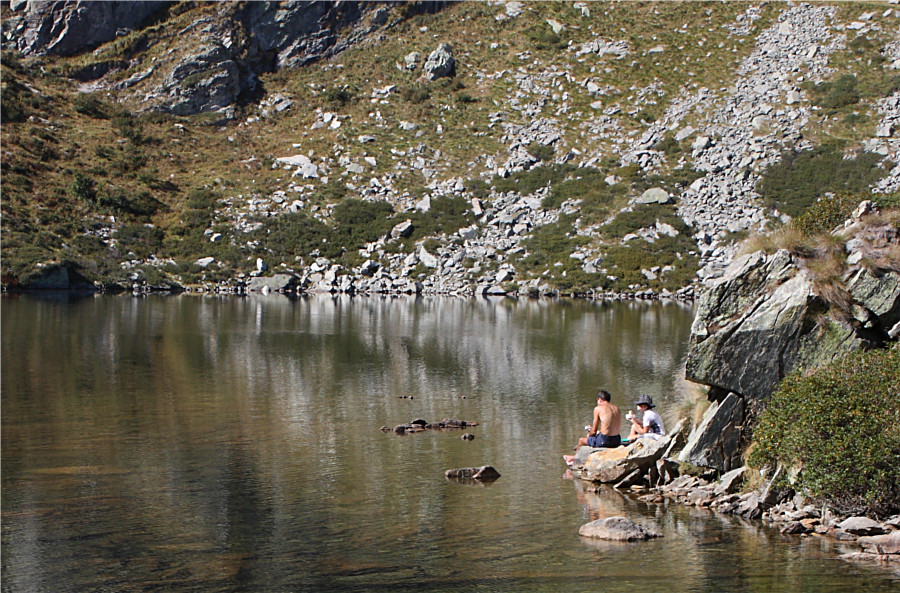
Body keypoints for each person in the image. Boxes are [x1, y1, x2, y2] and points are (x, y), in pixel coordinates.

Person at [563, 390, 622, 466]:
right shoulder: (616, 408)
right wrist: (597, 432)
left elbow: (593, 432)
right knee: (591, 437)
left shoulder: (598, 408)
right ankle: (574, 457)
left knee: (581, 440)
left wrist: (590, 432)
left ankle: (575, 460)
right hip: (617, 439)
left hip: (606, 440)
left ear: (599, 399)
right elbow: (609, 427)